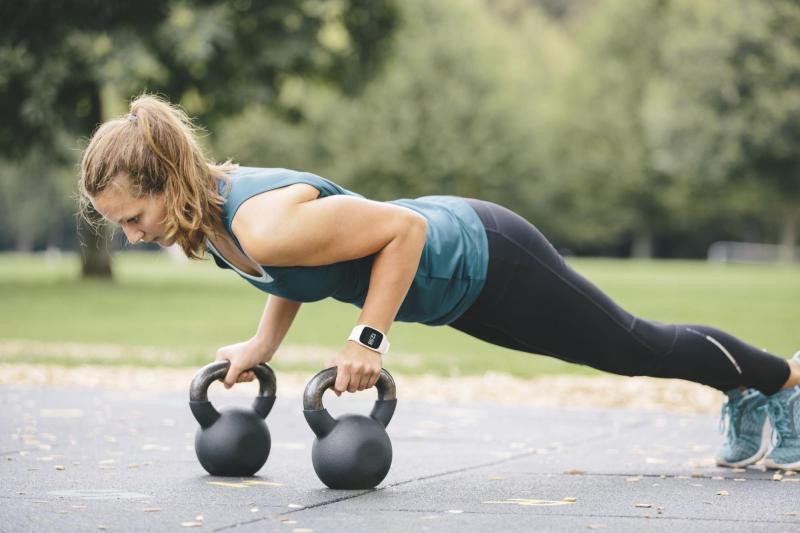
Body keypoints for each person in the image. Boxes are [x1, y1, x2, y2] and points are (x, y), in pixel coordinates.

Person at [79, 94, 800, 471]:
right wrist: (264, 341)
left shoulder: (258, 220)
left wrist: (369, 336)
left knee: (634, 345)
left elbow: (403, 231)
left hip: (483, 252)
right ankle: (743, 389)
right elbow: (296, 272)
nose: (134, 235)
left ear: (166, 180)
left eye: (135, 216)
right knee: (612, 350)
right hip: (459, 290)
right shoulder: (217, 223)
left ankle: (783, 382)